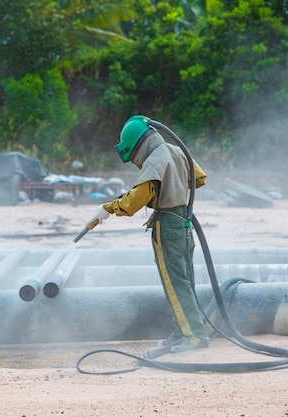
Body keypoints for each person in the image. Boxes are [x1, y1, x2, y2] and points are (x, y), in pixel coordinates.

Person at [92, 115, 210, 353]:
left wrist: (109, 207)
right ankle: (182, 332)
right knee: (184, 281)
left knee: (175, 283)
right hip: (183, 223)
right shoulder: (176, 150)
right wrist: (173, 186)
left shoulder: (155, 161)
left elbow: (135, 202)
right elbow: (198, 178)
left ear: (137, 146)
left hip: (167, 225)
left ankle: (195, 337)